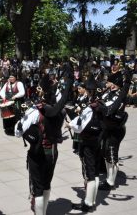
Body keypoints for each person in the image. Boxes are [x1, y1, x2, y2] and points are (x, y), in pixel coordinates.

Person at [15, 67, 73, 215]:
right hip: (52, 151)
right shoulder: (61, 110)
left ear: (43, 92)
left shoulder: (35, 112)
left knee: (38, 188)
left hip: (38, 152)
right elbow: (62, 102)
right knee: (46, 184)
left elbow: (17, 132)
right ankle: (44, 211)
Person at [67, 75, 102, 212]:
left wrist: (70, 125)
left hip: (88, 141)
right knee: (95, 172)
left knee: (89, 172)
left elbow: (81, 125)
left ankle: (88, 203)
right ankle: (92, 199)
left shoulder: (89, 107)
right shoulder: (99, 102)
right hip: (97, 139)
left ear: (88, 91)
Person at [97, 70, 130, 191]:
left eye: (108, 81)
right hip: (107, 127)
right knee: (106, 153)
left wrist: (99, 105)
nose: (106, 83)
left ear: (114, 84)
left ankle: (110, 182)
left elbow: (108, 109)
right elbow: (100, 100)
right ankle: (108, 174)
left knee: (112, 154)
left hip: (116, 129)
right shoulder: (108, 92)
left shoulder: (119, 95)